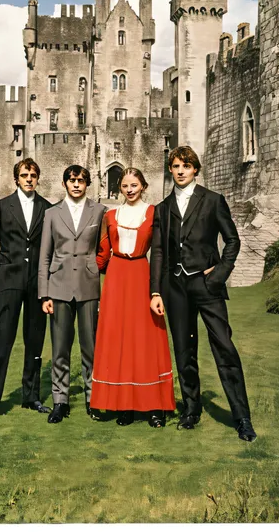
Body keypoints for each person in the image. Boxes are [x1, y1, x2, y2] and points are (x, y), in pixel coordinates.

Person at [150, 146, 257, 441]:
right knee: (184, 352)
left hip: (207, 285)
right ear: (170, 171)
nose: (180, 171)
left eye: (186, 165)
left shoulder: (213, 201)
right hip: (175, 288)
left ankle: (242, 417)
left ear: (196, 169)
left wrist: (219, 274)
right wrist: (156, 292)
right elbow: (158, 253)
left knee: (224, 347)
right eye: (175, 166)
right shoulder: (162, 208)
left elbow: (232, 241)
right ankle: (191, 410)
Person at [91, 168, 175, 427]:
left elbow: (161, 250)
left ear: (143, 186)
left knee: (145, 338)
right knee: (117, 338)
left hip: (141, 273)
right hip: (116, 277)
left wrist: (157, 289)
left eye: (134, 185)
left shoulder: (153, 212)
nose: (129, 189)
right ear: (120, 188)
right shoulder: (110, 215)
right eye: (125, 185)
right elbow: (102, 252)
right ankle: (124, 405)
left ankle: (154, 407)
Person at [0, 158, 52, 423]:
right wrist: (1, 269)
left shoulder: (47, 208)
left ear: (38, 177)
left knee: (34, 341)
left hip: (37, 284)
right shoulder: (2, 206)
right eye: (25, 175)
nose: (29, 178)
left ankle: (31, 396)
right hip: (9, 281)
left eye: (33, 174)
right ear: (16, 178)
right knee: (1, 341)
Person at [38, 165, 106, 424]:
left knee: (91, 347)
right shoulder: (52, 214)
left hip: (89, 286)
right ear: (65, 183)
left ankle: (93, 398)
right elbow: (45, 255)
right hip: (58, 286)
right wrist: (44, 295)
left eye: (81, 180)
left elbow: (103, 250)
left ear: (87, 184)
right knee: (60, 348)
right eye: (72, 180)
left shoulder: (100, 211)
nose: (76, 184)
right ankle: (60, 400)